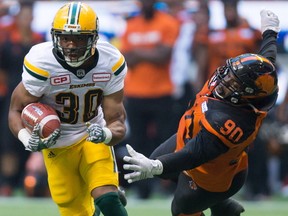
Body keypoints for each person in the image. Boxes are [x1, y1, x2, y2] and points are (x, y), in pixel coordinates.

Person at [123, 9, 280, 216]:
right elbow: (265, 63)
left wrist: (155, 166)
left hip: (212, 177)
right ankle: (221, 206)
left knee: (181, 209)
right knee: (163, 164)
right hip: (194, 137)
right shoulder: (251, 90)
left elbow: (193, 155)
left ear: (246, 95)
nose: (225, 79)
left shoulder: (231, 121)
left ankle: (217, 201)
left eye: (234, 81)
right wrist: (270, 32)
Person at [8, 2, 128, 216]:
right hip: (57, 142)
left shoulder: (110, 61)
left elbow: (117, 120)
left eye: (79, 38)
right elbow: (15, 110)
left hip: (92, 133)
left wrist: (106, 134)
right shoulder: (42, 62)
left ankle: (106, 197)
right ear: (55, 37)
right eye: (65, 37)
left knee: (108, 198)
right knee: (75, 210)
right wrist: (27, 138)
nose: (71, 45)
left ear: (93, 38)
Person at [120, 0, 179, 199]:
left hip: (162, 92)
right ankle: (142, 189)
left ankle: (171, 186)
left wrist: (138, 52)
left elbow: (163, 55)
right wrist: (151, 52)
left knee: (167, 142)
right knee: (137, 143)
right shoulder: (131, 24)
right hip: (135, 93)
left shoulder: (167, 22)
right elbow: (127, 56)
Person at [0, 1, 45, 196]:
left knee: (37, 138)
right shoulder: (9, 42)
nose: (26, 20)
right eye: (23, 17)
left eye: (29, 17)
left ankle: (32, 181)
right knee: (8, 141)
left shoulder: (39, 43)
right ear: (18, 19)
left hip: (35, 98)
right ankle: (7, 183)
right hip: (12, 96)